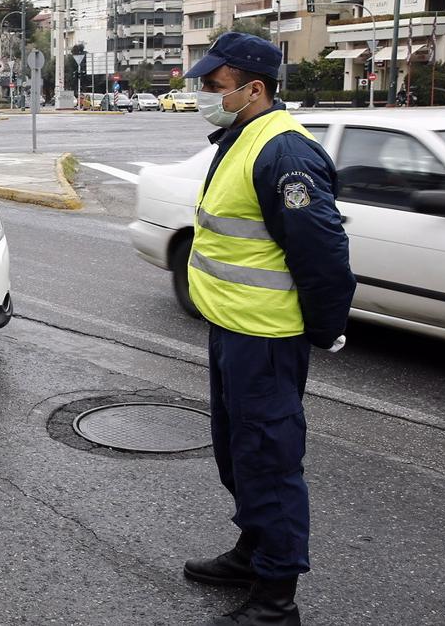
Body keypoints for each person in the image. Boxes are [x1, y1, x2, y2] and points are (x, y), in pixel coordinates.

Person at [180, 32, 356, 626]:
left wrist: (326, 327)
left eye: (214, 84)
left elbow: (323, 253)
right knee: (237, 454)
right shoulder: (241, 136)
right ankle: (253, 552)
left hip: (266, 339)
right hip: (232, 329)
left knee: (268, 461)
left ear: (253, 89)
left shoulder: (285, 153)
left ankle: (277, 598)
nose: (204, 92)